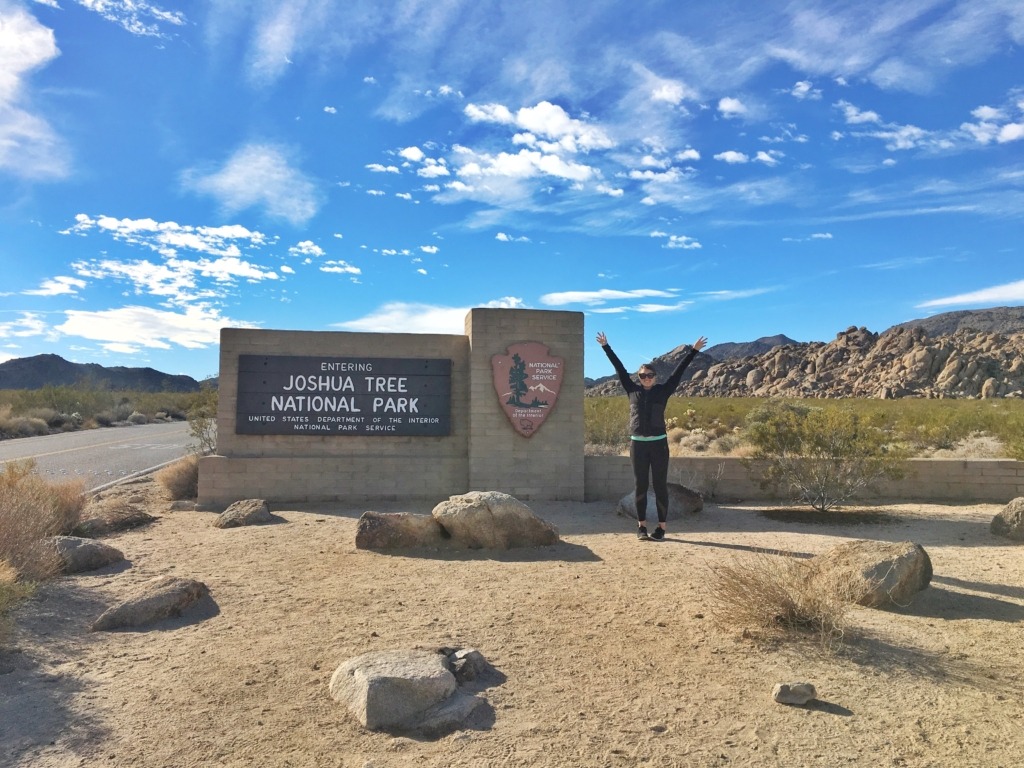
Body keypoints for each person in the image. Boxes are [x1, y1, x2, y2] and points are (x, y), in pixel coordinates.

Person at [596, 331, 707, 541]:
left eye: (649, 375)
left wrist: (693, 351)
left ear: (655, 377)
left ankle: (661, 528)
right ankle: (641, 527)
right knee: (640, 486)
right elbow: (619, 368)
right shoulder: (632, 390)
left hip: (659, 445)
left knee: (659, 486)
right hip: (637, 445)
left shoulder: (663, 391)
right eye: (642, 376)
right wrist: (606, 347)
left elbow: (678, 372)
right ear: (638, 378)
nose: (646, 379)